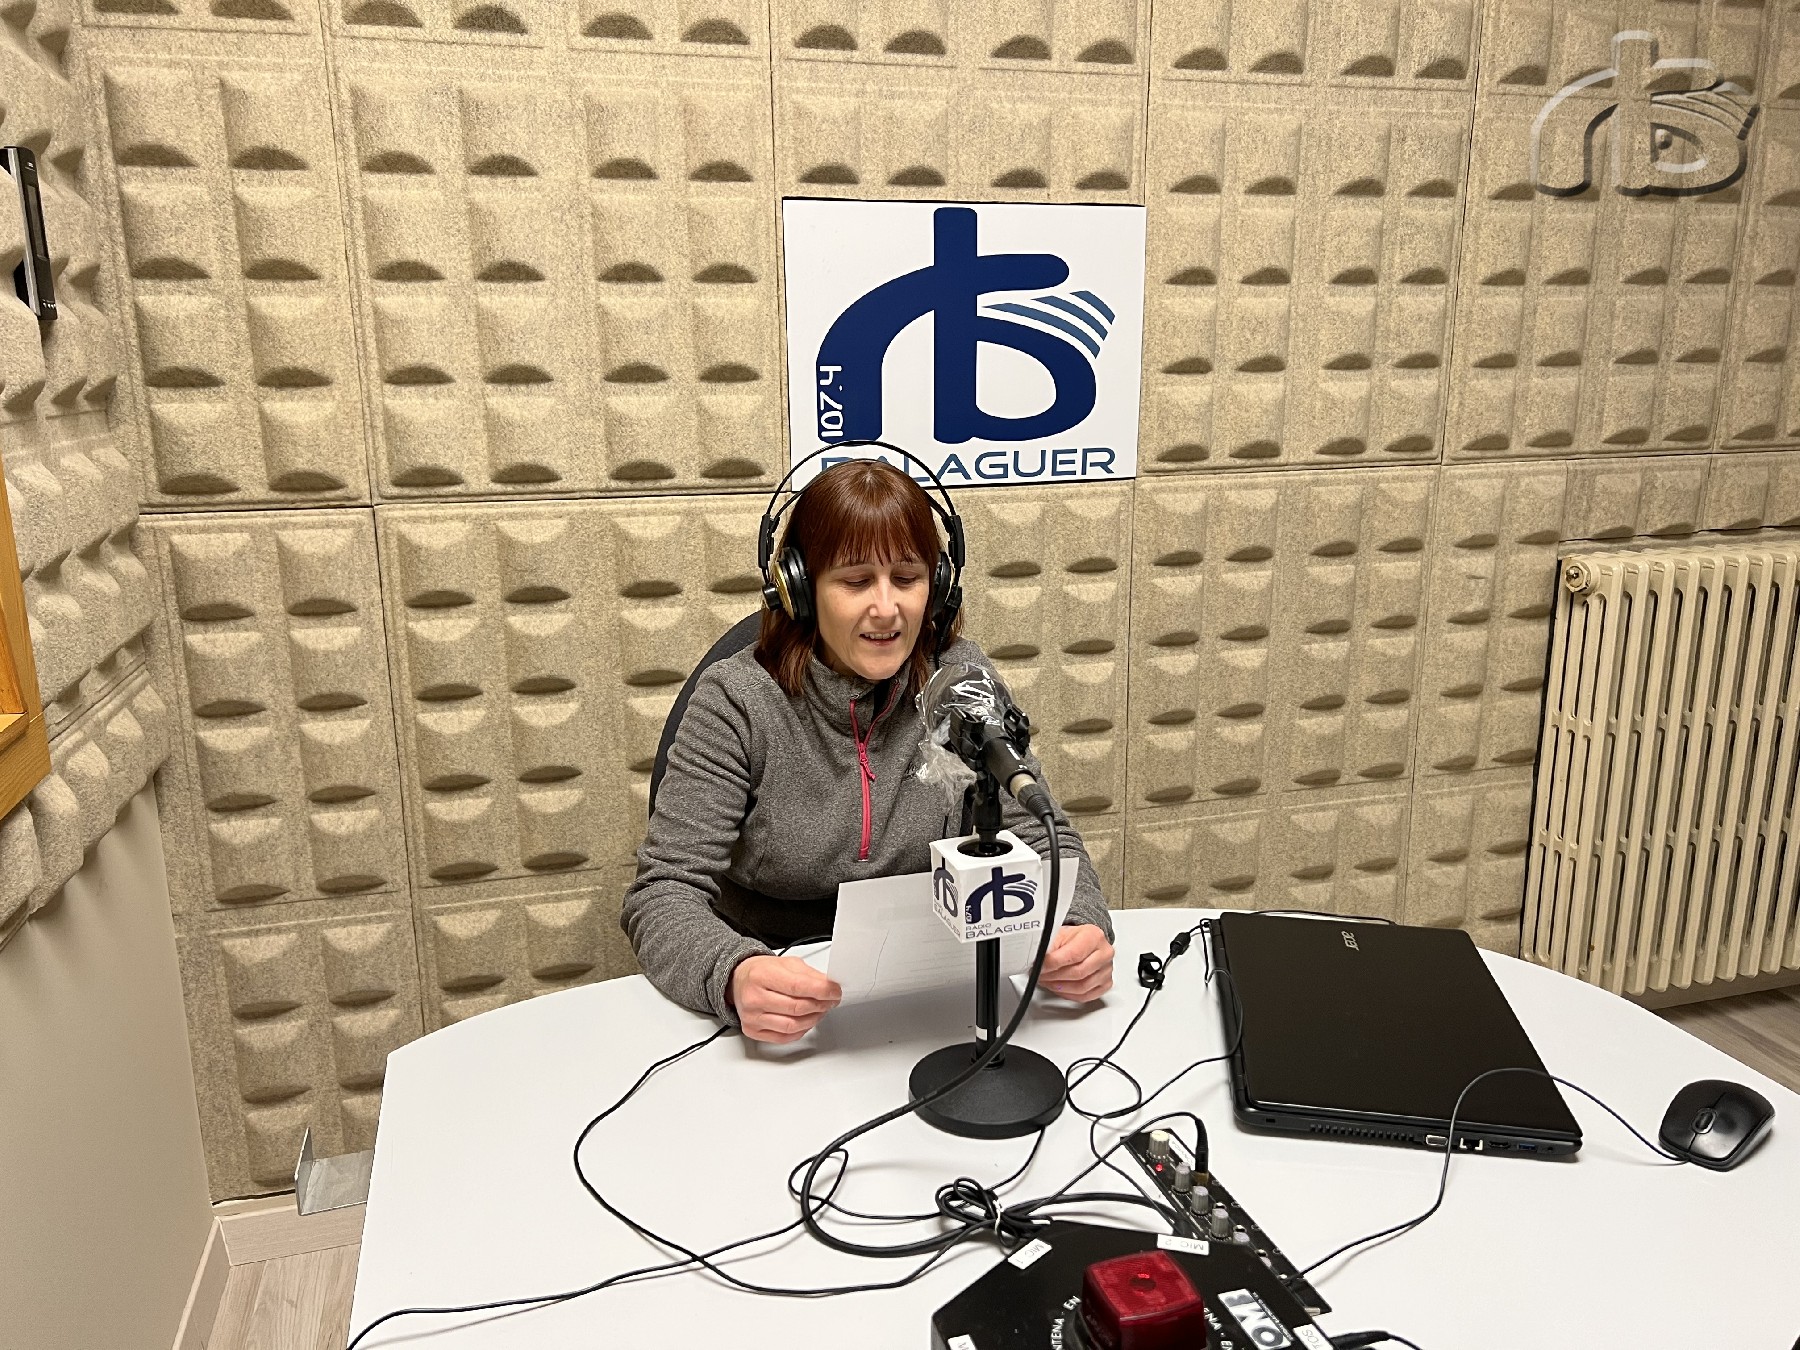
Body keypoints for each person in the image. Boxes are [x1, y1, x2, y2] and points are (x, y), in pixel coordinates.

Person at [621, 458, 1115, 1044]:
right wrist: (733, 974)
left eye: (906, 578)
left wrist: (1080, 926)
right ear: (800, 589)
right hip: (777, 977)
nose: (886, 608)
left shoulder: (959, 683)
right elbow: (664, 892)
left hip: (927, 980)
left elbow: (1040, 834)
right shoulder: (737, 701)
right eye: (856, 582)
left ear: (938, 586)